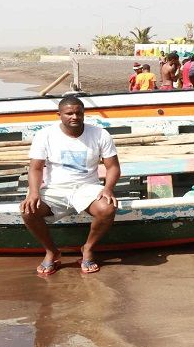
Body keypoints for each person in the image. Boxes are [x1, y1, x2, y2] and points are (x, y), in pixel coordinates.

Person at [20, 96, 120, 275]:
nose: (74, 117)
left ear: (84, 114)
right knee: (28, 210)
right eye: (69, 113)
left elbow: (113, 167)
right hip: (54, 189)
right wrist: (33, 193)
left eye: (79, 113)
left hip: (87, 188)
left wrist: (108, 188)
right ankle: (52, 252)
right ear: (59, 115)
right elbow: (35, 169)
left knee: (108, 208)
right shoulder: (45, 135)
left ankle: (88, 248)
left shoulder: (100, 134)